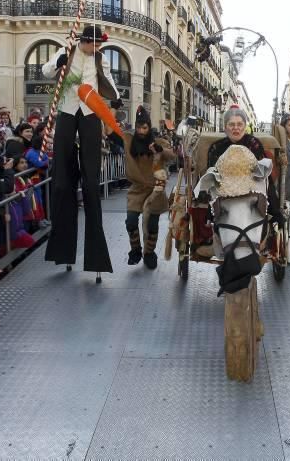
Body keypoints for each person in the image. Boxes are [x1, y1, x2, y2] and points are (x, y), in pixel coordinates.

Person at [41, 25, 120, 275]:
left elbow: (108, 81)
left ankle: (95, 259)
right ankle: (62, 250)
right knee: (63, 181)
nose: (96, 48)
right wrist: (58, 63)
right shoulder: (66, 49)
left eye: (98, 45)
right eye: (93, 44)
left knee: (90, 182)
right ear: (84, 41)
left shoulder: (100, 58)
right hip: (67, 108)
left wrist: (116, 97)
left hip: (89, 112)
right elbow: (45, 71)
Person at [119, 106, 175, 269]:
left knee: (152, 225)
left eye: (144, 127)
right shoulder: (129, 140)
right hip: (137, 189)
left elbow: (171, 155)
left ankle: (149, 253)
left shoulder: (158, 142)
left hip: (155, 190)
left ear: (149, 127)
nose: (141, 131)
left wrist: (159, 150)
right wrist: (113, 110)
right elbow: (110, 131)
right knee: (130, 221)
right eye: (138, 127)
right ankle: (136, 250)